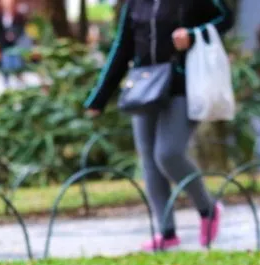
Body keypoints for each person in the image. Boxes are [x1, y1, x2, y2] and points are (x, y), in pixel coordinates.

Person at [85, 0, 234, 252]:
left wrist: (193, 35)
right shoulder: (134, 4)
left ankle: (208, 209)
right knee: (149, 161)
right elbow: (122, 47)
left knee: (168, 153)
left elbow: (225, 18)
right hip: (144, 86)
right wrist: (99, 97)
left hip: (183, 86)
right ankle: (166, 232)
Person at [0, 0, 27, 88]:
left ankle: (19, 81)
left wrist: (14, 35)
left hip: (16, 44)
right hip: (4, 45)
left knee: (17, 63)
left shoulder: (18, 16)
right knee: (5, 64)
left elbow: (21, 29)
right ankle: (6, 82)